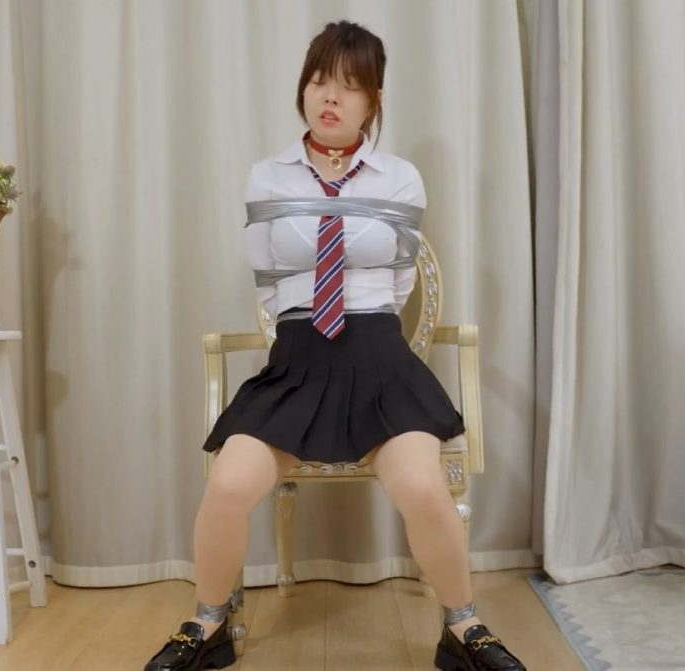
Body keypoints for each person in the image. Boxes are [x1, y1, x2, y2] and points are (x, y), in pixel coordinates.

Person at [144, 19, 526, 671]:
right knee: (229, 484)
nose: (330, 96)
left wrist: (357, 325)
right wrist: (307, 332)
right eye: (320, 81)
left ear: (373, 100)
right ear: (303, 88)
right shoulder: (268, 177)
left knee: (423, 488)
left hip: (380, 361)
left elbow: (399, 281)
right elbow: (269, 278)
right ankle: (207, 624)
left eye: (349, 85)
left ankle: (463, 628)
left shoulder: (399, 178)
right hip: (297, 360)